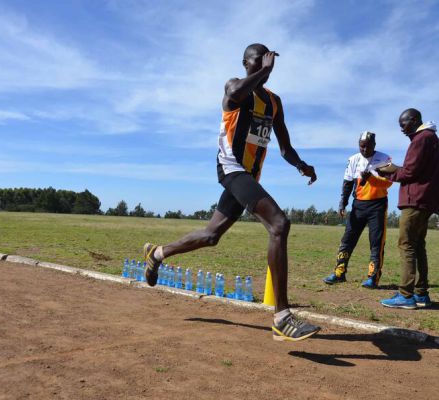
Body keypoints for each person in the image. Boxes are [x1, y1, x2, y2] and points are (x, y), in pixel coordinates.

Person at [143, 43, 321, 342]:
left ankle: (157, 253)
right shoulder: (235, 87)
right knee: (279, 224)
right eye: (257, 60)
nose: (264, 64)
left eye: (267, 60)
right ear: (245, 63)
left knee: (211, 235)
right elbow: (235, 94)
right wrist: (264, 71)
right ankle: (282, 318)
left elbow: (285, 147)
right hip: (231, 168)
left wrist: (301, 165)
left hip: (248, 176)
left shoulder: (274, 102)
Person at [378, 109, 439, 309]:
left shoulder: (421, 139)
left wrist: (390, 172)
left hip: (415, 200)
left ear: (413, 120)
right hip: (426, 200)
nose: (402, 129)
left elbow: (411, 171)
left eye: (403, 124)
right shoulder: (432, 138)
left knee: (406, 245)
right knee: (418, 245)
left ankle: (406, 295)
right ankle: (421, 293)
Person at [323, 132, 392, 288]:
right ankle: (339, 273)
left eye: (368, 145)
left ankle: (373, 277)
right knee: (347, 240)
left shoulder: (385, 159)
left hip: (378, 205)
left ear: (374, 144)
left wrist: (371, 179)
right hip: (358, 205)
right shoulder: (353, 159)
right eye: (362, 145)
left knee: (376, 243)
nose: (364, 148)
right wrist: (343, 203)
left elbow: (388, 183)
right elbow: (347, 183)